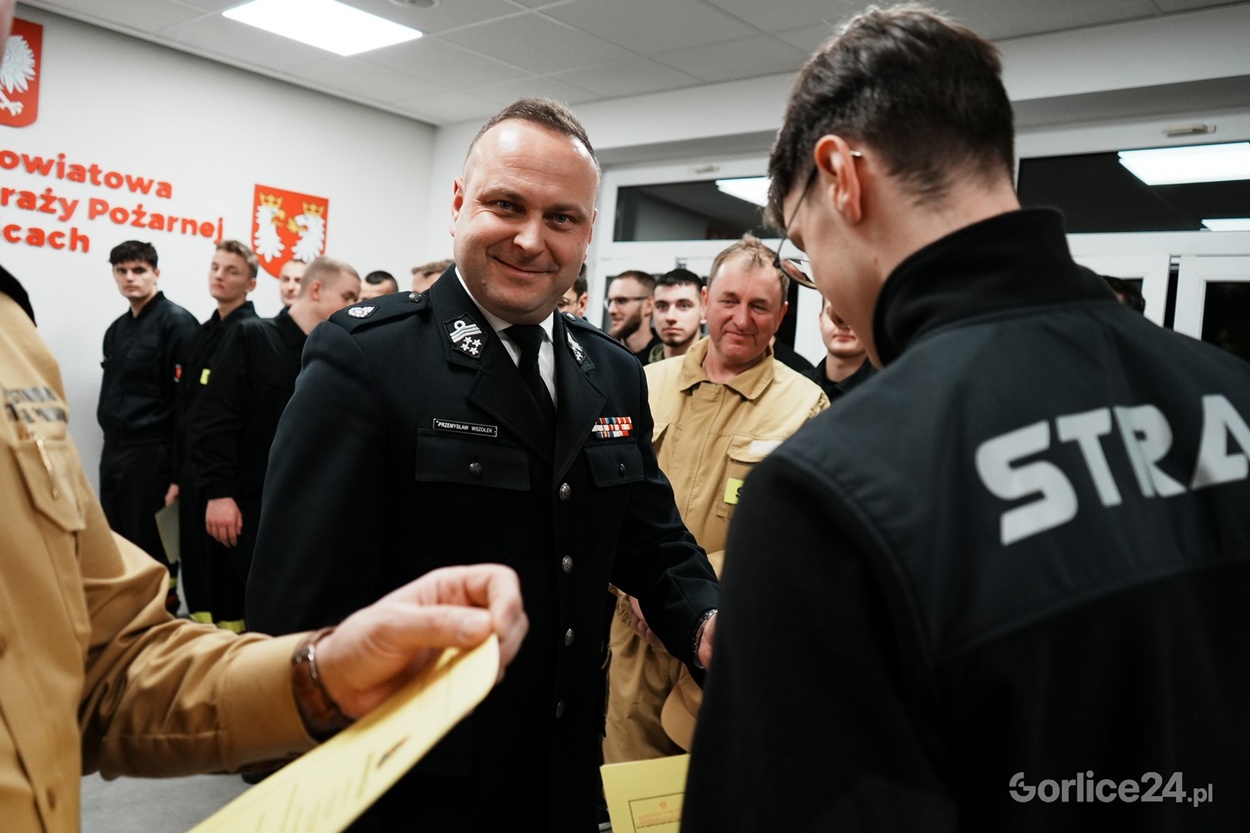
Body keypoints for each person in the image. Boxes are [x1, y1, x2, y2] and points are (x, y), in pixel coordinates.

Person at [683, 7, 1250, 832]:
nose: (823, 288)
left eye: (806, 244)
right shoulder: (1231, 392)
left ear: (841, 176)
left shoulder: (830, 492)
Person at [247, 97, 720, 833]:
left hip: (563, 775)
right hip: (415, 787)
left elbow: (650, 538)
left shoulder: (611, 373)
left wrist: (707, 622)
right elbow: (295, 610)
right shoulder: (368, 358)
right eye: (507, 205)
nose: (531, 240)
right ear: (459, 204)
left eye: (561, 217)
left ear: (587, 231)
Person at [604, 235, 827, 763]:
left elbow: (801, 541)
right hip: (633, 640)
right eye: (729, 301)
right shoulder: (642, 384)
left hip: (727, 645)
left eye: (760, 306)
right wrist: (636, 585)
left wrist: (679, 595)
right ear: (706, 301)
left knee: (713, 789)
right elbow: (607, 501)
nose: (741, 319)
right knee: (628, 793)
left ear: (782, 315)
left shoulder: (805, 406)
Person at [185, 257, 361, 631]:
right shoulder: (252, 336)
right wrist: (219, 494)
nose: (354, 306)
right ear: (317, 290)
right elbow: (214, 419)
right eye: (348, 296)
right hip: (243, 506)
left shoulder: (333, 355)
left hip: (297, 511)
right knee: (235, 612)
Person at [97, 240, 198, 614]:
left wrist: (177, 474)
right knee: (116, 543)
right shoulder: (117, 329)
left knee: (154, 546)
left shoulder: (177, 324)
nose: (129, 278)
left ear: (156, 273)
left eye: (138, 270)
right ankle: (125, 621)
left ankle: (159, 617)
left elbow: (188, 406)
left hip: (154, 454)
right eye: (121, 271)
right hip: (115, 452)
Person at [168, 240, 260, 621]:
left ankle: (231, 653)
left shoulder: (252, 335)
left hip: (229, 485)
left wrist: (224, 492)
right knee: (197, 577)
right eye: (215, 267)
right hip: (194, 477)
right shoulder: (202, 333)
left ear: (251, 284)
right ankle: (202, 643)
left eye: (231, 271)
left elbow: (244, 422)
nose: (219, 276)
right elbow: (186, 412)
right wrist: (178, 476)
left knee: (226, 582)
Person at [803, 294, 875, 401]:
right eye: (834, 313)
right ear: (821, 320)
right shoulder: (797, 387)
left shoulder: (887, 391)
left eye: (855, 314)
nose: (843, 324)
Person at [647, 267, 704, 362]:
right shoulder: (640, 368)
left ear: (704, 311)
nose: (670, 317)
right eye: (661, 306)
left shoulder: (722, 366)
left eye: (684, 306)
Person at [605, 269, 661, 361]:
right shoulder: (604, 353)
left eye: (621, 301)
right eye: (610, 302)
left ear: (648, 305)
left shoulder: (663, 356)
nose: (611, 310)